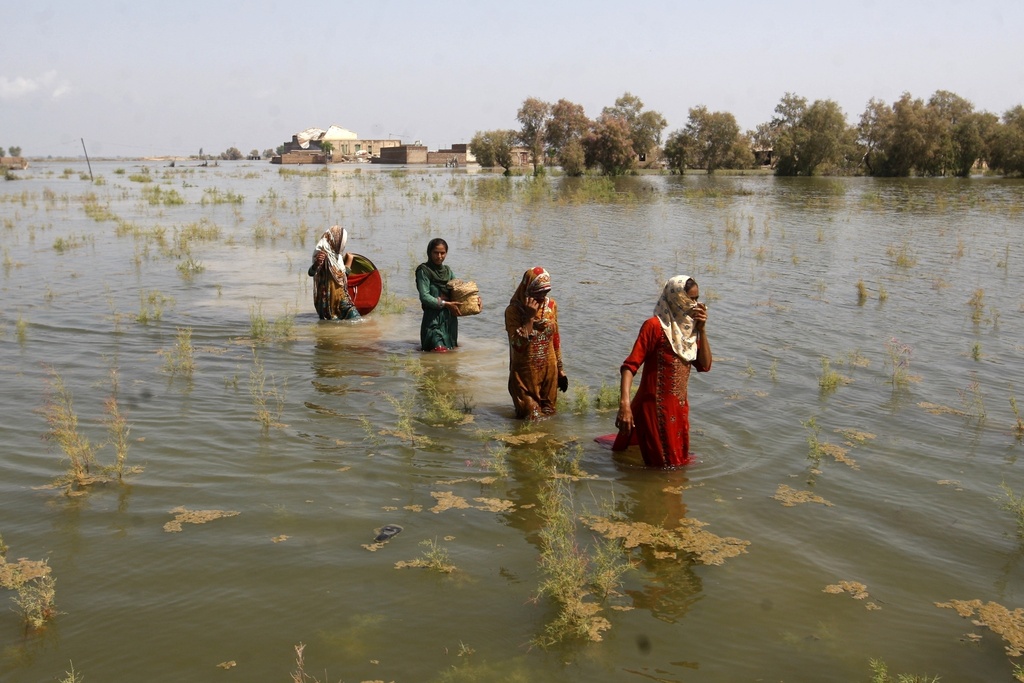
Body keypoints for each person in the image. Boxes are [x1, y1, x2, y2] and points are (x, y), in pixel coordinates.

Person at [613, 275, 712, 467]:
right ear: (676, 298)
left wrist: (702, 330)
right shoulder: (655, 327)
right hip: (654, 409)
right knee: (664, 471)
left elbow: (705, 366)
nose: (695, 304)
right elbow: (629, 366)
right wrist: (624, 404)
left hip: (679, 410)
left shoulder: (688, 332)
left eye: (697, 299)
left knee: (676, 465)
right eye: (690, 299)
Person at [505, 267, 568, 419]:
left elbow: (555, 338)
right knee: (531, 419)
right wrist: (529, 319)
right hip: (525, 376)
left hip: (549, 371)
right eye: (537, 292)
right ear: (527, 289)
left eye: (545, 292)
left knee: (549, 416)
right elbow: (518, 345)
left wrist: (560, 369)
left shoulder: (551, 306)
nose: (541, 297)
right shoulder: (513, 311)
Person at [415, 238, 461, 352]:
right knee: (439, 352)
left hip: (449, 321)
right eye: (436, 253)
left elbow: (459, 290)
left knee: (451, 353)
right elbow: (424, 297)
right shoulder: (424, 271)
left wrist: (474, 299)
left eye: (443, 253)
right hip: (433, 320)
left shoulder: (448, 271)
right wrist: (445, 304)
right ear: (429, 252)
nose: (439, 256)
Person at [308, 225, 361, 320]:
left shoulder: (338, 257)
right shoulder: (322, 255)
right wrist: (316, 264)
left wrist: (350, 260)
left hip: (340, 299)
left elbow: (341, 277)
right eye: (342, 242)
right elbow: (311, 273)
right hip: (328, 301)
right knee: (357, 321)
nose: (343, 245)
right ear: (336, 239)